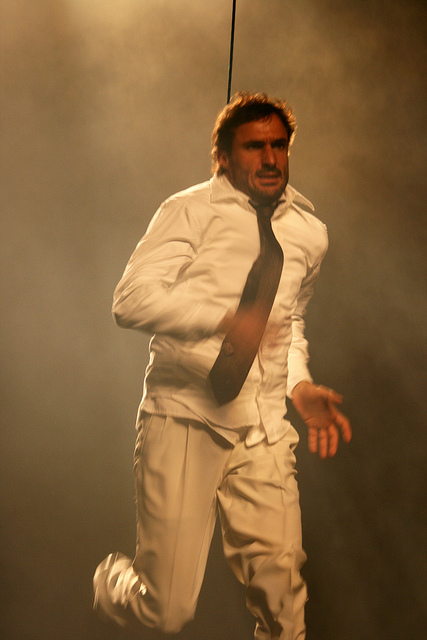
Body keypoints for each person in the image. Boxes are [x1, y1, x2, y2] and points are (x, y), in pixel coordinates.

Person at [93, 91, 352, 640]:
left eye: (279, 145)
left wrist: (300, 386)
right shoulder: (189, 210)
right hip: (185, 418)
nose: (270, 158)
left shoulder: (310, 234)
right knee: (167, 612)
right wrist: (222, 320)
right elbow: (129, 300)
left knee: (286, 612)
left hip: (263, 431)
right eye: (254, 147)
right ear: (224, 157)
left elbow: (289, 321)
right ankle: (112, 583)